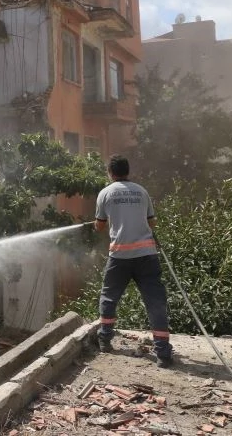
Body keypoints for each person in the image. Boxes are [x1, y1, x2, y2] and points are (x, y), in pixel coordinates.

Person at [94, 154, 173, 368]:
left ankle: (104, 340)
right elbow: (152, 222)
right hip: (147, 255)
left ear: (110, 172)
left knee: (109, 297)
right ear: (128, 171)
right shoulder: (141, 191)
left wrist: (98, 224)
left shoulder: (105, 193)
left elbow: (100, 226)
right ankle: (163, 353)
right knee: (155, 302)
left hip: (119, 256)